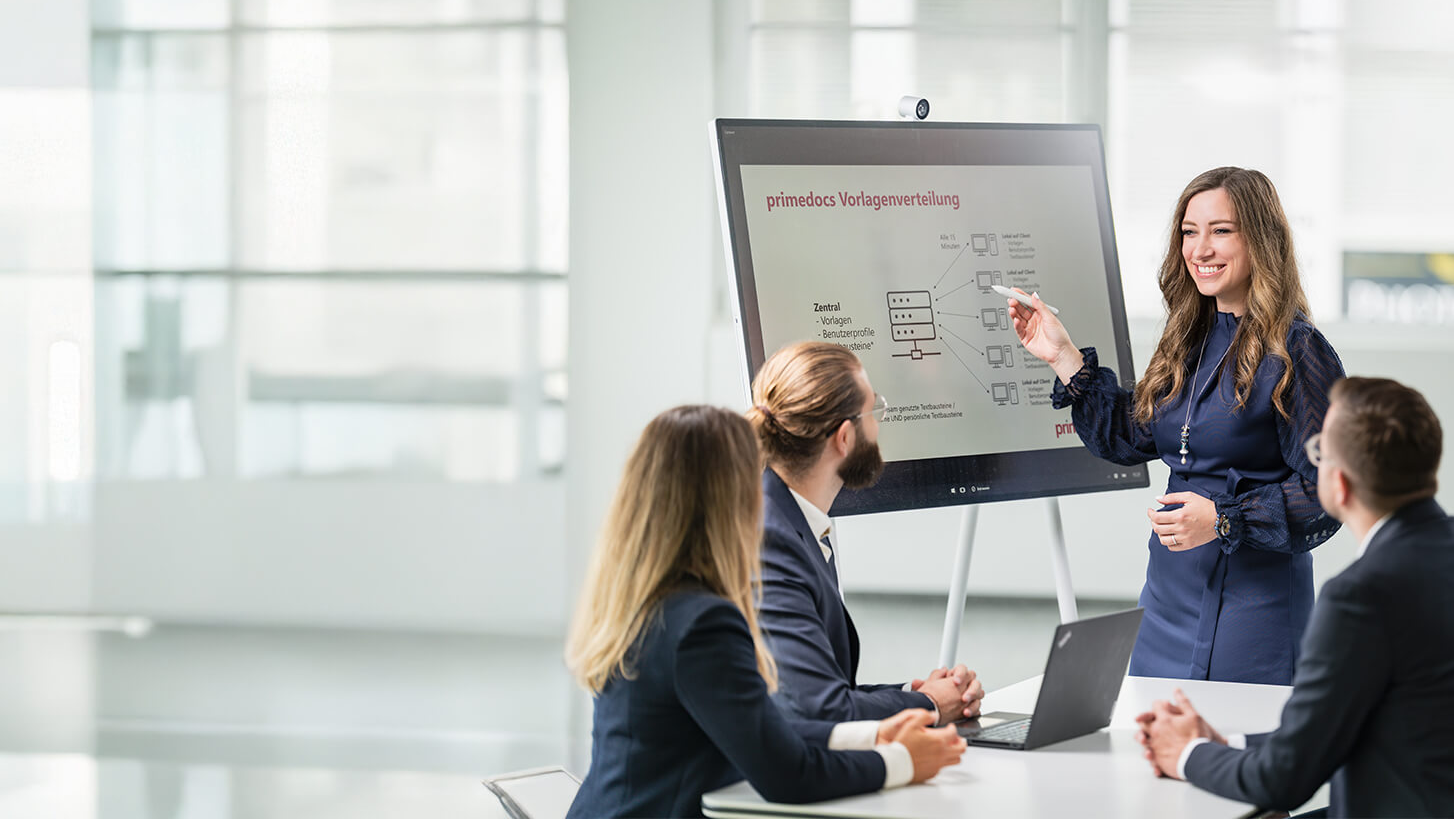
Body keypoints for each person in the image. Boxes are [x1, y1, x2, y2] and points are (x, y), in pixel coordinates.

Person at [1008, 166, 1345, 685]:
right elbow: (1135, 435)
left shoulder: (1298, 349)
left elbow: (1330, 491)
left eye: (1221, 231)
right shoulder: (1189, 336)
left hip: (1253, 612)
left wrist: (1224, 518)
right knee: (1154, 751)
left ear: (1261, 238)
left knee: (1231, 757)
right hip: (1167, 600)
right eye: (1190, 232)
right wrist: (1062, 356)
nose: (1200, 249)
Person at [564, 405, 966, 819]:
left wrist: (871, 734)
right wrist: (901, 762)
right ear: (728, 497)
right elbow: (787, 774)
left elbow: (758, 728)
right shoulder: (703, 624)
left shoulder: (648, 601)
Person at [1135, 377, 1454, 817]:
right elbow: (1348, 726)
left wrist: (1187, 754)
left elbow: (1284, 780)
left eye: (1318, 452)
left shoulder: (1360, 597)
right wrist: (1225, 744)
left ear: (1338, 485)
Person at [745, 341, 984, 723]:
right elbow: (818, 709)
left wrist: (917, 694)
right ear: (844, 438)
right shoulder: (768, 541)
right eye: (875, 409)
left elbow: (823, 688)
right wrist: (932, 706)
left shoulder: (789, 521)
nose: (879, 423)